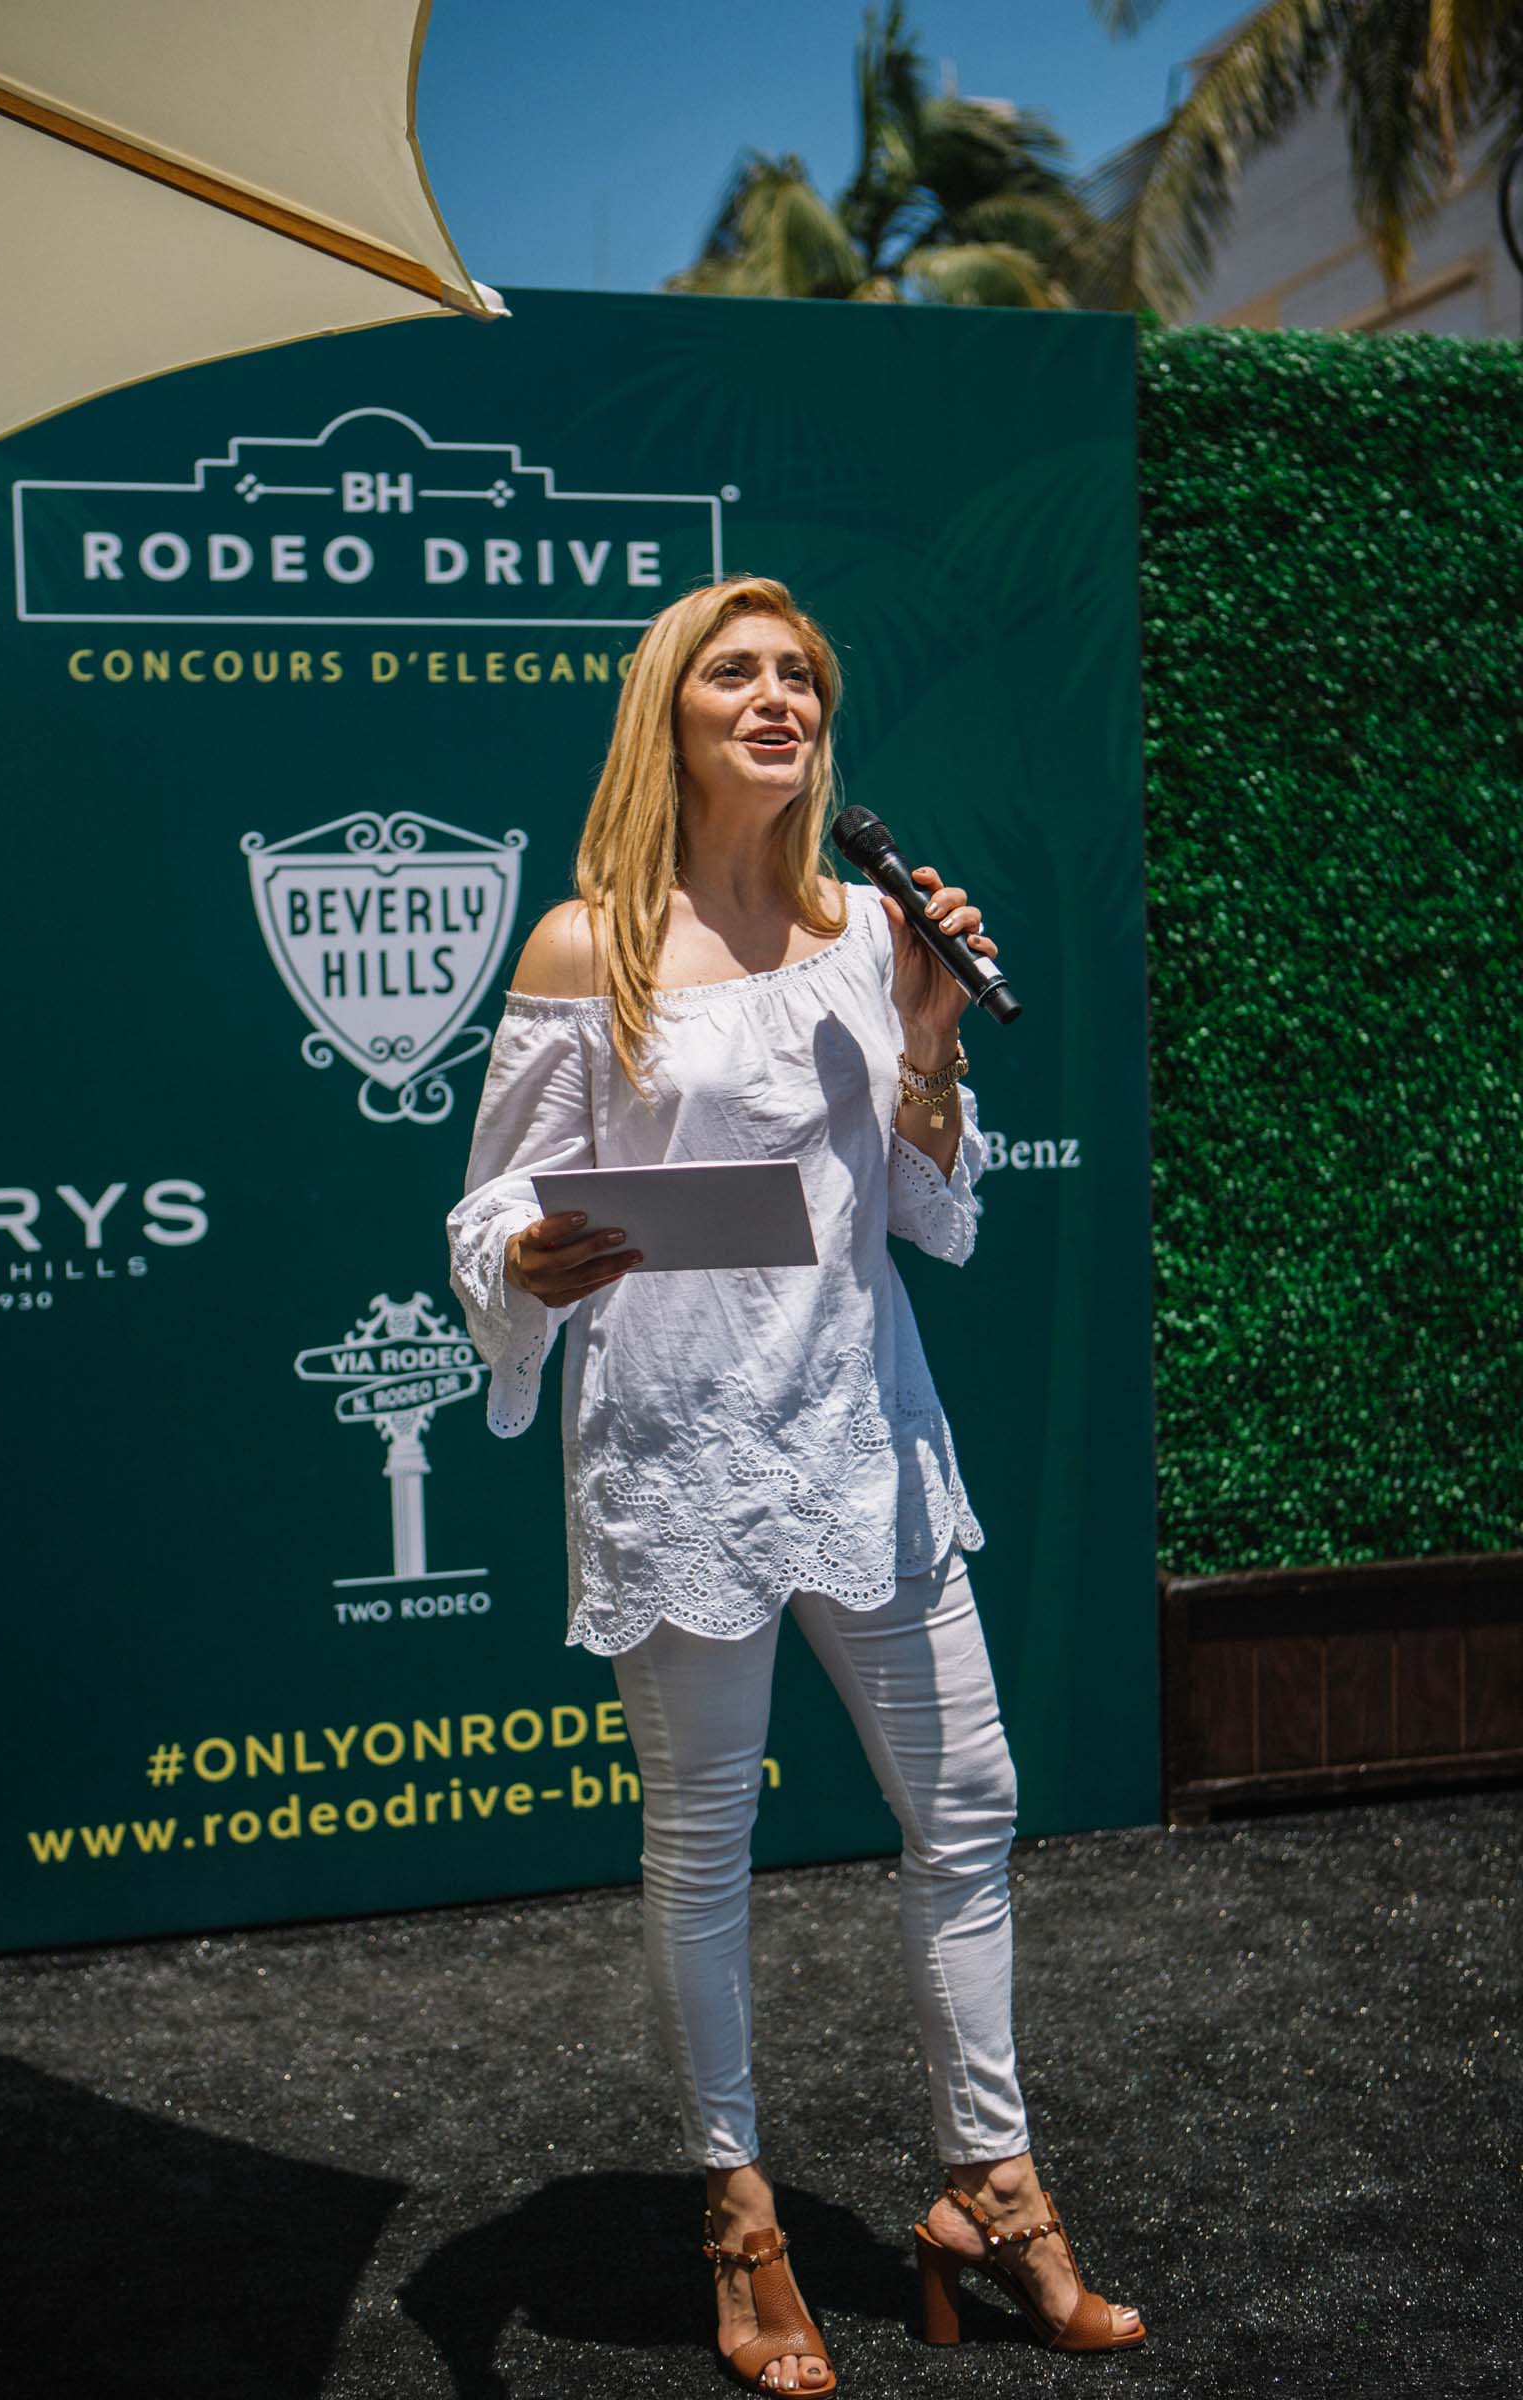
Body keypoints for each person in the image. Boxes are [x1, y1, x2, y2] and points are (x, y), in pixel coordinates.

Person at [446, 575, 1145, 2389]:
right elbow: (486, 1208)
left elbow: (931, 1212)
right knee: (706, 1856)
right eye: (735, 674)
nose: (776, 699)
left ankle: (992, 2181)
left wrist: (926, 1038)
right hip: (679, 1454)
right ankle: (738, 2215)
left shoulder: (870, 930)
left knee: (970, 1803)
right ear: (669, 716)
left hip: (865, 1438)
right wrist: (523, 1266)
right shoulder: (581, 947)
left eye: (800, 678)